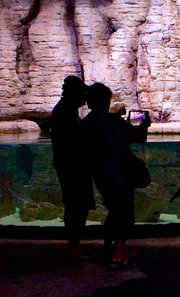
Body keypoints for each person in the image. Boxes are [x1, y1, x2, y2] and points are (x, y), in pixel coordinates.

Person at [80, 82, 150, 269]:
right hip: (120, 173)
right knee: (124, 213)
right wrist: (143, 125)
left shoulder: (85, 124)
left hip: (99, 174)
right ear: (106, 101)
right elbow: (135, 136)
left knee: (113, 210)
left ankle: (107, 251)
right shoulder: (112, 121)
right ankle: (117, 256)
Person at [50, 75, 93, 259]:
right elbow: (74, 140)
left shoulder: (65, 110)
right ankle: (74, 247)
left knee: (75, 205)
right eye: (83, 93)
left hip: (68, 164)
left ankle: (74, 245)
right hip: (71, 166)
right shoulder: (65, 112)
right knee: (77, 205)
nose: (85, 97)